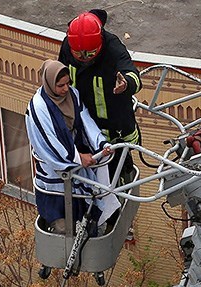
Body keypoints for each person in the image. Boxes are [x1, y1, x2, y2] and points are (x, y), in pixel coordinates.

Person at [25, 59, 119, 235]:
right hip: (55, 167)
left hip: (73, 157)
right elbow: (48, 141)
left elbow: (85, 120)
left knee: (81, 204)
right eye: (61, 85)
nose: (66, 89)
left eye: (68, 83)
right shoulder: (38, 107)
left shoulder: (72, 95)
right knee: (64, 216)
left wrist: (101, 143)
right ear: (49, 83)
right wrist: (76, 157)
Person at [59, 9, 142, 184]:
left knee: (112, 181)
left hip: (114, 133)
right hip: (82, 128)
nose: (84, 59)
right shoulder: (68, 46)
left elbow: (133, 74)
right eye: (79, 54)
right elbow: (60, 74)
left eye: (89, 54)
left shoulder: (113, 48)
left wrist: (126, 83)